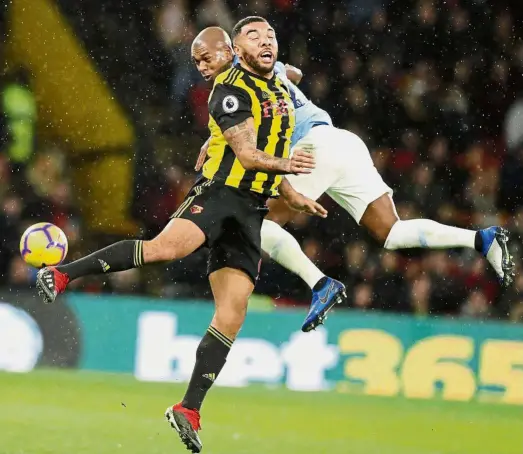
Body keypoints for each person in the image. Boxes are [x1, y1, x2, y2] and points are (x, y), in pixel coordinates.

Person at [35, 16, 326, 453]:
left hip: (251, 212)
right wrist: (288, 168)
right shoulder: (228, 92)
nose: (202, 65)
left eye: (270, 36)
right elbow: (248, 156)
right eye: (197, 59)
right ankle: (62, 274)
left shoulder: (277, 84)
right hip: (220, 194)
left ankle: (189, 407)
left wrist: (291, 194)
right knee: (165, 249)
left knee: (233, 311)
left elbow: (282, 102)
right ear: (237, 49)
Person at [191, 24, 516, 333]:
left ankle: (321, 284)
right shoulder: (263, 67)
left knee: (255, 224)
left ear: (228, 49)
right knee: (391, 232)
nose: (202, 67)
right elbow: (295, 75)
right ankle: (482, 239)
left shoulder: (238, 81)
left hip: (313, 147)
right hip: (341, 141)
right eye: (196, 61)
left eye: (207, 57)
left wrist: (218, 141)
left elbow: (253, 140)